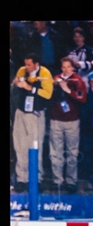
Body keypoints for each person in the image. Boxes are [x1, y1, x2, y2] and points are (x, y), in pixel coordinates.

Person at [11, 53, 53, 193]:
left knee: (35, 146)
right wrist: (16, 83)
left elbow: (48, 94)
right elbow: (15, 84)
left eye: (29, 64)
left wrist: (30, 88)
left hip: (35, 114)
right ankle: (22, 178)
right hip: (21, 112)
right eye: (26, 64)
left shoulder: (45, 73)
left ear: (36, 64)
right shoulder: (22, 70)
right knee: (20, 146)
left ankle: (36, 178)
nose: (26, 67)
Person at [48, 56, 87, 193]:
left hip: (72, 121)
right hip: (56, 120)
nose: (65, 69)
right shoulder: (55, 79)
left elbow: (83, 98)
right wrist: (54, 84)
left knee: (72, 153)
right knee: (55, 152)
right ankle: (57, 180)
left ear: (72, 68)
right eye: (63, 67)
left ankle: (71, 181)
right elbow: (48, 95)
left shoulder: (78, 81)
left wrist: (68, 90)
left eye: (68, 67)